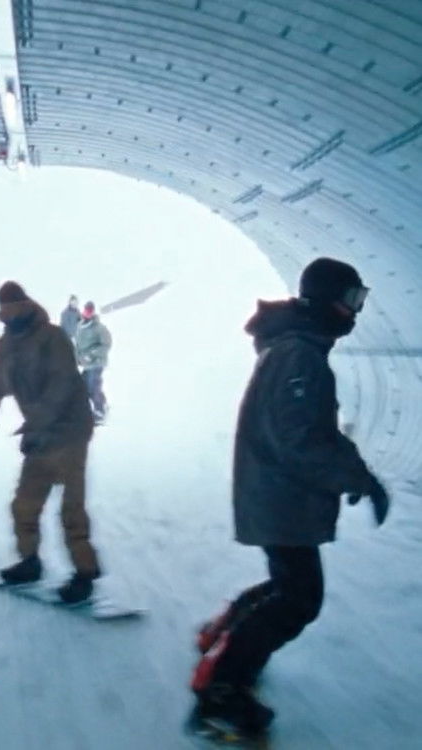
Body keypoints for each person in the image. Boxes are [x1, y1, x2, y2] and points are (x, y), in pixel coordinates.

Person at [189, 258, 390, 740]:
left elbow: (307, 433)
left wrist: (355, 474)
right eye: (351, 299)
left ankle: (226, 633)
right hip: (282, 497)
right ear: (325, 300)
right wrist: (358, 478)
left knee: (289, 586)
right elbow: (299, 440)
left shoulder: (298, 348)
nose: (355, 311)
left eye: (360, 299)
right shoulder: (299, 355)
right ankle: (221, 691)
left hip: (279, 493)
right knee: (299, 599)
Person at [0, 282, 101, 604]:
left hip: (71, 429)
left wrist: (35, 426)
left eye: (15, 306)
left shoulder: (52, 337)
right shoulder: (4, 347)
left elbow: (62, 385)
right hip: (39, 434)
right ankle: (29, 563)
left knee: (71, 508)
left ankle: (84, 574)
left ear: (25, 304)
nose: (10, 314)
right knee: (24, 505)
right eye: (5, 309)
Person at [75, 301, 112, 424]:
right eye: (86, 311)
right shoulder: (80, 326)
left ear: (93, 312)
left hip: (97, 363)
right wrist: (76, 358)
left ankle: (100, 411)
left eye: (90, 311)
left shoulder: (99, 328)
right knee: (84, 386)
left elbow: (106, 344)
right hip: (86, 364)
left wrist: (92, 355)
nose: (87, 313)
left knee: (93, 386)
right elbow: (78, 346)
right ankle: (102, 404)